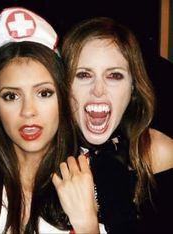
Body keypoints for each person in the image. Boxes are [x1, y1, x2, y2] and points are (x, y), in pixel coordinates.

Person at [0, 7, 99, 234]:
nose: (28, 111)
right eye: (11, 96)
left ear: (63, 100)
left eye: (44, 93)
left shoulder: (97, 176)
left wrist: (88, 226)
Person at [60, 16, 173, 233]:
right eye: (83, 75)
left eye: (114, 75)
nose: (98, 90)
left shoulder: (159, 154)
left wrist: (87, 226)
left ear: (133, 87)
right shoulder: (42, 152)